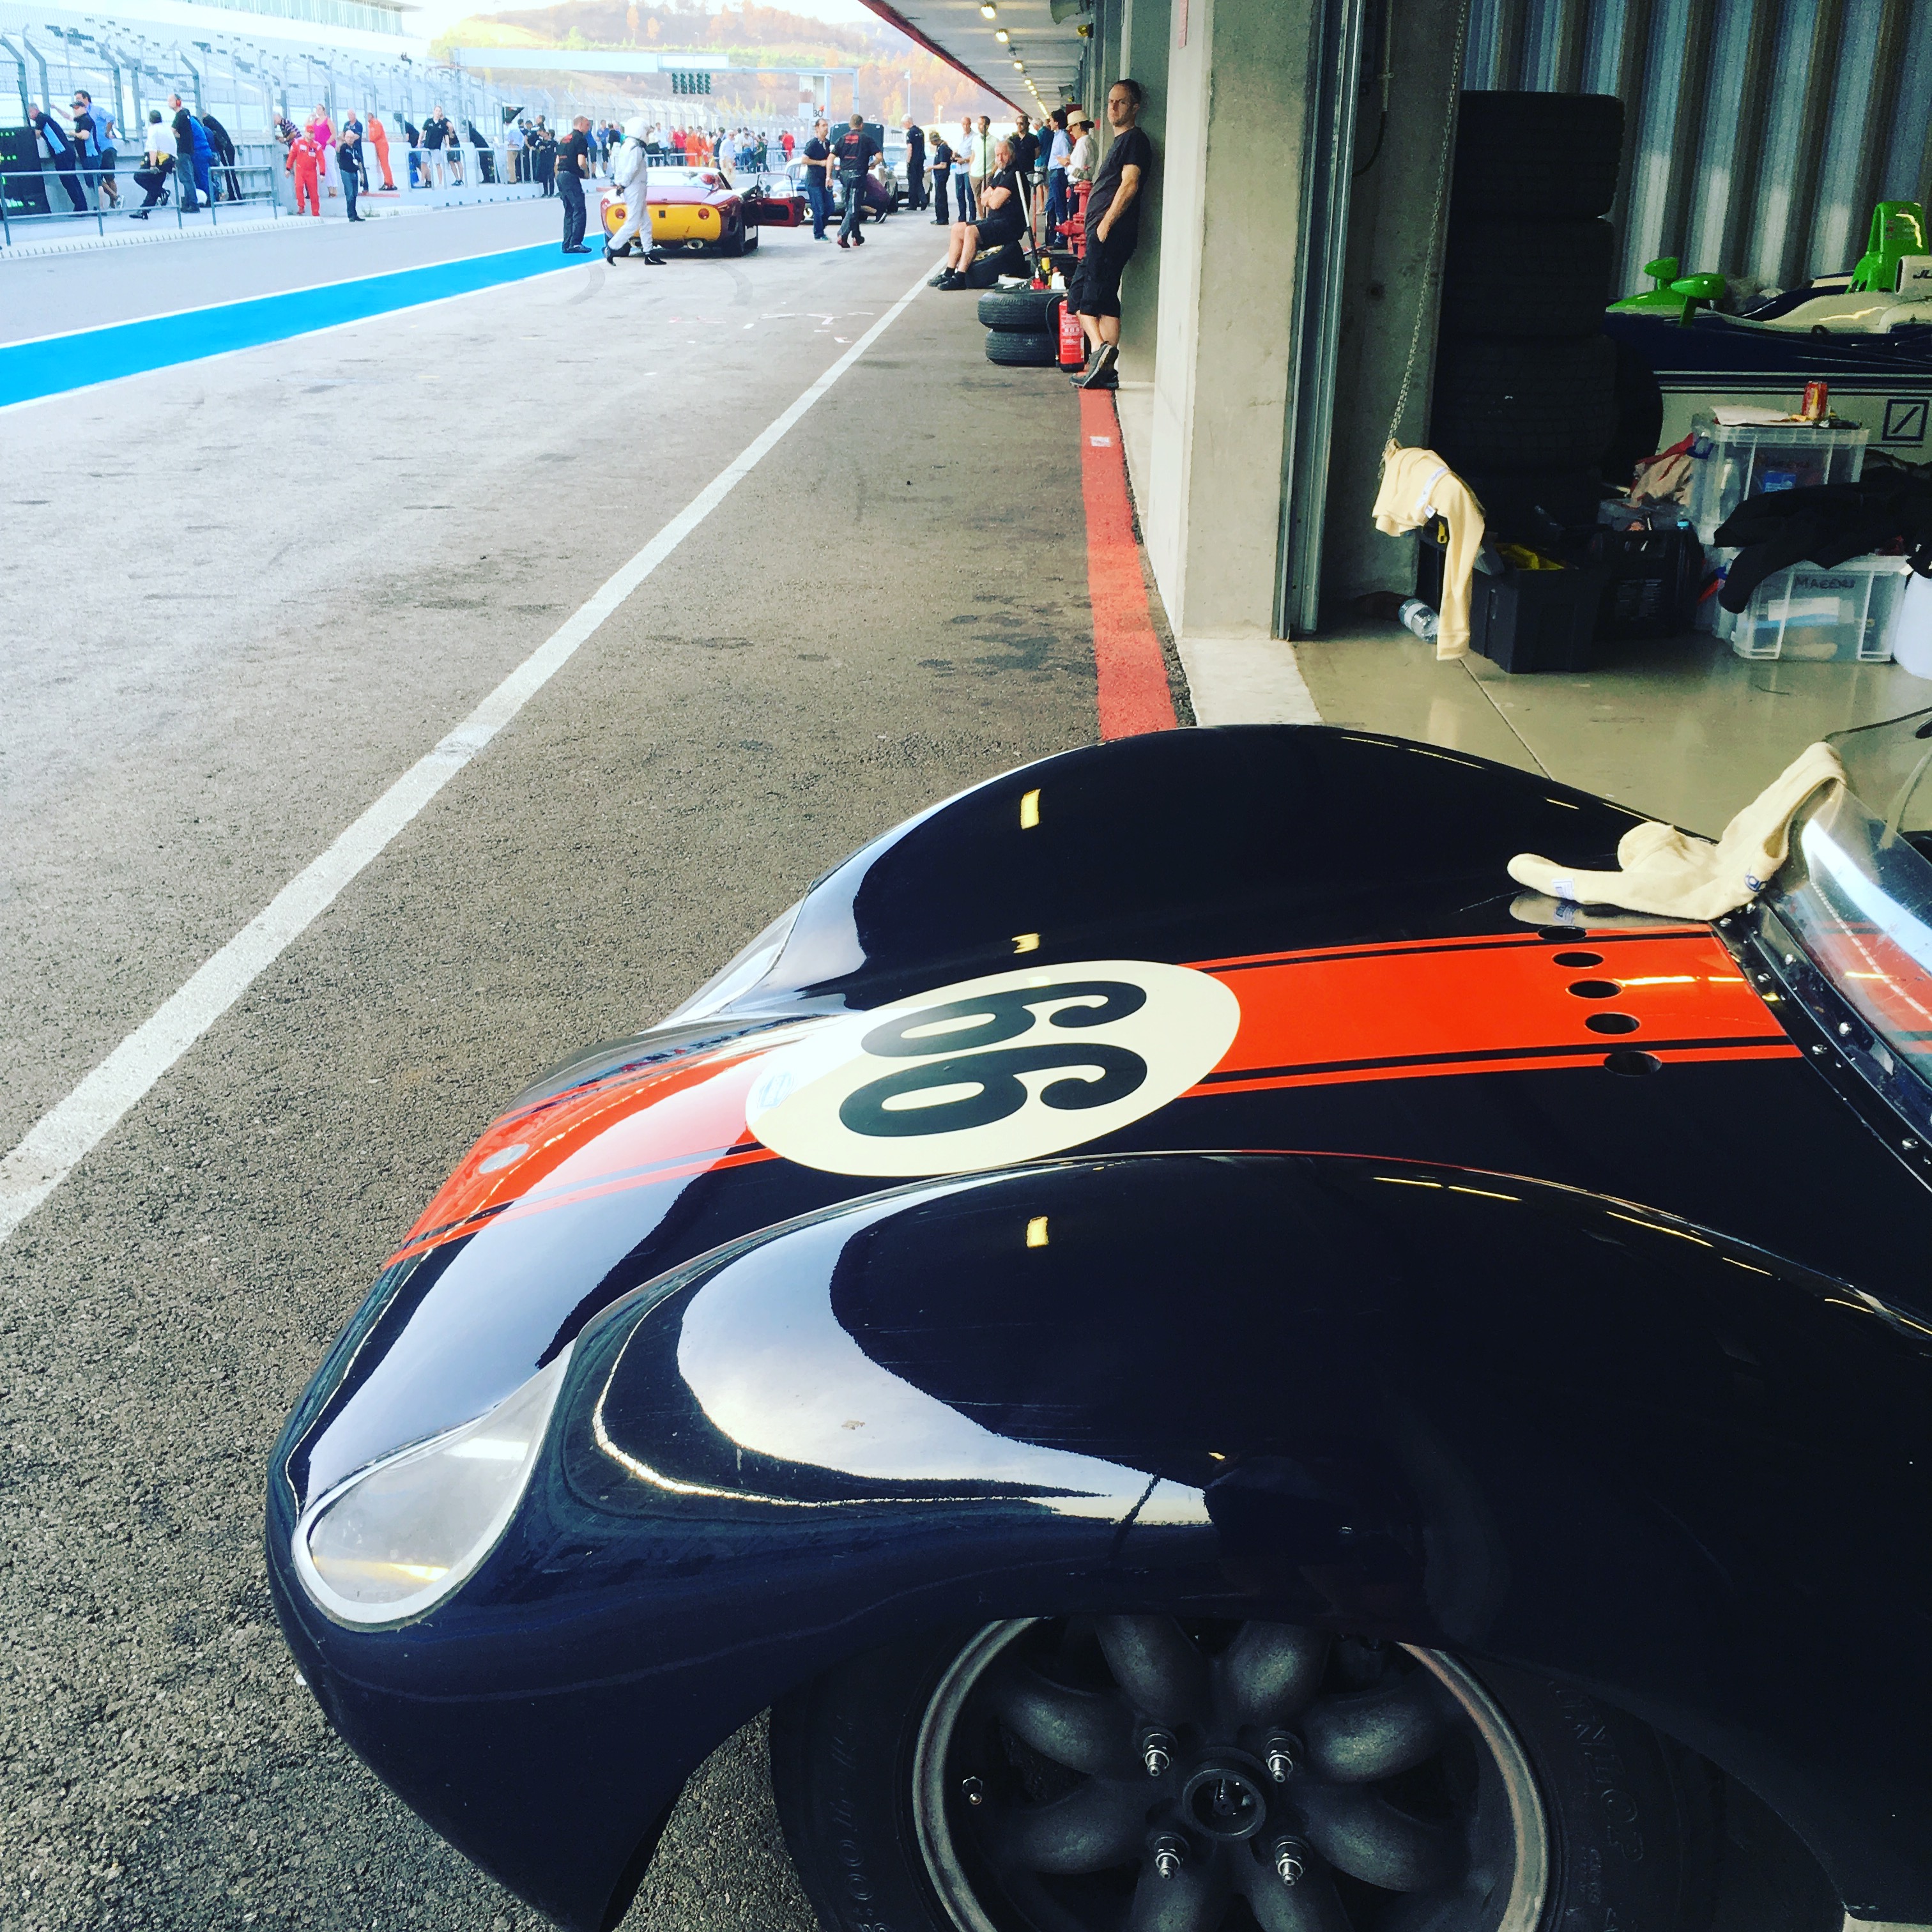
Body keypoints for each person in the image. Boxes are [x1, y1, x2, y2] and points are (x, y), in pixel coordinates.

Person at [1068, 79, 1151, 387]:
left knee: (1086, 299)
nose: (1114, 107)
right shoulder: (1120, 141)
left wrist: (1105, 224)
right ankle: (1105, 368)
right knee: (1099, 300)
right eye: (1111, 101)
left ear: (1135, 107)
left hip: (1110, 233)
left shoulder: (1134, 140)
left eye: (1122, 102)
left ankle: (1100, 354)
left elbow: (1130, 184)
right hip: (1104, 233)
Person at [931, 135, 1024, 289]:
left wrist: (993, 196)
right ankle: (949, 272)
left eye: (1004, 154)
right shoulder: (1001, 175)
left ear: (1012, 155)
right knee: (958, 228)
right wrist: (995, 196)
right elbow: (983, 199)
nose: (1000, 158)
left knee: (971, 231)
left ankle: (960, 277)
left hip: (1009, 225)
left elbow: (993, 203)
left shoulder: (1014, 174)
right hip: (994, 221)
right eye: (997, 155)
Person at [604, 117, 666, 264]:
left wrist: (621, 184)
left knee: (645, 222)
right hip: (635, 188)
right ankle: (612, 247)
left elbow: (622, 169)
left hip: (633, 187)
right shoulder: (635, 148)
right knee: (633, 223)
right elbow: (631, 169)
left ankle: (649, 252)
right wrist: (623, 184)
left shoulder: (627, 146)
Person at [28, 105, 89, 213]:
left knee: (68, 181)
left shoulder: (41, 118)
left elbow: (37, 134)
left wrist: (26, 133)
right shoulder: (45, 119)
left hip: (62, 153)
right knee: (72, 180)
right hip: (66, 152)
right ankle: (82, 206)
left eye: (30, 112)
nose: (29, 116)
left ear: (36, 110)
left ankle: (80, 206)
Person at [833, 111, 878, 249]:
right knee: (854, 207)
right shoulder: (866, 139)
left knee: (850, 206)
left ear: (850, 125)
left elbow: (831, 157)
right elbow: (879, 156)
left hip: (844, 176)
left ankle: (856, 237)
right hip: (858, 175)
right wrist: (873, 164)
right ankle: (842, 234)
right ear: (861, 125)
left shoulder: (842, 139)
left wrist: (829, 175)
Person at [72, 93, 118, 209]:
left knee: (109, 177)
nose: (77, 102)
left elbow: (111, 118)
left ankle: (114, 203)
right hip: (96, 151)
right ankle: (114, 197)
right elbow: (69, 118)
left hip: (105, 148)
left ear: (86, 99)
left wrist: (107, 133)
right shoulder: (81, 116)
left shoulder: (96, 111)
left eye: (79, 99)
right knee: (97, 179)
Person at [558, 114, 592, 252]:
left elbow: (557, 162)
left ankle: (567, 243)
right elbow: (581, 162)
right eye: (587, 125)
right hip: (571, 176)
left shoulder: (564, 139)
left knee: (569, 210)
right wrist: (586, 172)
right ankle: (576, 242)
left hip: (561, 176)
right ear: (581, 124)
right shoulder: (580, 139)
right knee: (579, 209)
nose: (589, 128)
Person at [131, 109, 174, 217]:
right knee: (156, 184)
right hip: (168, 161)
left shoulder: (153, 129)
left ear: (150, 120)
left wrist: (153, 165)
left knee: (139, 177)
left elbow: (153, 148)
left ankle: (162, 192)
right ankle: (144, 211)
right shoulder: (167, 129)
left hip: (158, 160)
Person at [800, 117, 832, 241]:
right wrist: (820, 163)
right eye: (823, 126)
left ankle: (821, 229)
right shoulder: (812, 144)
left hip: (824, 181)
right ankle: (818, 234)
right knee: (819, 208)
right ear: (817, 128)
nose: (826, 128)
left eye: (827, 125)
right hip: (814, 181)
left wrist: (830, 176)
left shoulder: (827, 143)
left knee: (830, 207)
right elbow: (804, 160)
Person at [1043, 107, 1071, 241]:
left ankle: (1063, 237)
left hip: (1059, 173)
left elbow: (1066, 158)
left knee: (1060, 204)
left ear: (1057, 122)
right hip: (1054, 173)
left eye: (1052, 120)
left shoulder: (1063, 138)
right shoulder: (1057, 136)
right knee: (1051, 206)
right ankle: (1051, 236)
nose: (1050, 123)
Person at [202, 111, 241, 201]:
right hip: (226, 148)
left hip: (225, 148)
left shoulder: (209, 123)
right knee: (229, 172)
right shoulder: (213, 123)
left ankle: (236, 196)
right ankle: (233, 195)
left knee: (230, 172)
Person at [286, 123, 323, 216]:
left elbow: (321, 159)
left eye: (312, 133)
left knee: (314, 193)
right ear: (305, 133)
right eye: (308, 132)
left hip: (312, 171)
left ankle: (315, 212)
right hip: (300, 170)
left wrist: (322, 173)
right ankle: (301, 207)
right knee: (299, 187)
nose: (310, 134)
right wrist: (288, 169)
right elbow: (291, 156)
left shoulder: (317, 146)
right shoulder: (297, 143)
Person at [337, 121, 364, 220]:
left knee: (355, 194)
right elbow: (338, 152)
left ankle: (355, 213)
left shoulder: (355, 148)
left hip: (354, 172)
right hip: (346, 172)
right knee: (350, 193)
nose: (349, 139)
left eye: (351, 137)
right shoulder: (343, 148)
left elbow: (359, 162)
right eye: (348, 137)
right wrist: (340, 141)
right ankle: (351, 215)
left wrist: (362, 175)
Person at [954, 114, 977, 221]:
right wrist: (955, 155)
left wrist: (965, 160)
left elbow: (975, 154)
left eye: (967, 124)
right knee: (960, 195)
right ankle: (962, 218)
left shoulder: (975, 137)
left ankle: (972, 218)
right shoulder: (960, 137)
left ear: (970, 124)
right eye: (963, 124)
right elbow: (957, 150)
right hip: (958, 169)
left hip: (968, 169)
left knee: (970, 195)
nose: (965, 126)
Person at [927, 127, 952, 226]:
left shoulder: (943, 148)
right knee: (939, 197)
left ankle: (942, 219)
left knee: (940, 197)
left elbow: (943, 165)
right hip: (939, 176)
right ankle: (940, 217)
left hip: (942, 176)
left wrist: (932, 167)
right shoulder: (941, 147)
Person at [421, 105, 450, 187]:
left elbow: (446, 135)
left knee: (438, 165)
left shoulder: (442, 124)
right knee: (423, 163)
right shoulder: (429, 121)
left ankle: (440, 183)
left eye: (439, 111)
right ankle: (422, 180)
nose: (438, 113)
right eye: (436, 111)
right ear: (434, 111)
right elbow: (423, 131)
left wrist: (448, 144)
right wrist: (419, 141)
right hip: (427, 146)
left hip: (436, 147)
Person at [901, 115, 925, 211]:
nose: (904, 126)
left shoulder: (910, 133)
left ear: (908, 122)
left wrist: (908, 161)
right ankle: (923, 200)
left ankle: (913, 204)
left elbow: (910, 148)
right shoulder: (920, 132)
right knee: (919, 181)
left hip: (913, 161)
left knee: (912, 183)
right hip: (921, 159)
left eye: (904, 124)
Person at [367, 110, 395, 190]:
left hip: (382, 145)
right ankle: (390, 182)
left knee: (384, 164)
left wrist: (370, 140)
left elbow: (377, 134)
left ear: (371, 116)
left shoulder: (376, 123)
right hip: (379, 145)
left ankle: (388, 183)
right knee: (384, 164)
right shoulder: (371, 125)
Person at [505, 118, 525, 183]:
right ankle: (515, 178)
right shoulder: (516, 128)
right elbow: (522, 137)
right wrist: (520, 146)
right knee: (514, 163)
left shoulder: (509, 128)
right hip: (517, 147)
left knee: (511, 164)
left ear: (506, 123)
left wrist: (510, 142)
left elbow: (507, 137)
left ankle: (512, 179)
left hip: (511, 146)